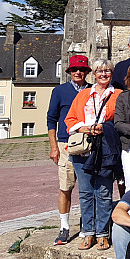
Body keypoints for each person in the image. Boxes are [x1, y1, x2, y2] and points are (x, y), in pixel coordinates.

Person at [64, 59, 122, 251]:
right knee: (86, 193)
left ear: (112, 74)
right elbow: (69, 119)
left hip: (105, 149)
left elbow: (122, 121)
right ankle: (88, 232)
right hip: (84, 149)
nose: (103, 74)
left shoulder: (119, 95)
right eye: (100, 71)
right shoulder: (83, 95)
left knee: (104, 192)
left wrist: (105, 128)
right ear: (94, 74)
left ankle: (103, 233)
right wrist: (87, 128)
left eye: (107, 71)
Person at [47, 54, 91, 245]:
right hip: (66, 144)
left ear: (87, 72)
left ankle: (86, 222)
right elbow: (51, 119)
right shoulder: (59, 91)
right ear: (69, 72)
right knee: (66, 186)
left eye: (81, 70)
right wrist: (54, 147)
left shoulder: (92, 90)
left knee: (89, 188)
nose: (78, 73)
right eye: (74, 70)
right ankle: (64, 226)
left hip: (88, 144)